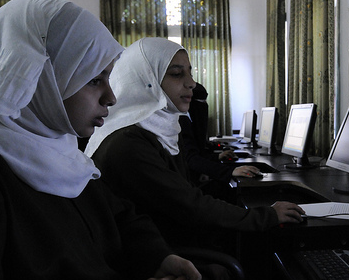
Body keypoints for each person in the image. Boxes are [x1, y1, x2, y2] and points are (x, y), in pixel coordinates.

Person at [0, 0, 207, 280]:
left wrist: (159, 257)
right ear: (36, 77)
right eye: (94, 79)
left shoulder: (57, 147)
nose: (111, 97)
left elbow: (121, 216)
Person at [84, 38, 305, 248]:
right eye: (177, 74)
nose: (191, 83)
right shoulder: (128, 144)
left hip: (171, 239)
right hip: (163, 255)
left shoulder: (160, 129)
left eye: (190, 73)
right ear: (146, 80)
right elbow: (188, 205)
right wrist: (267, 215)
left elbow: (183, 194)